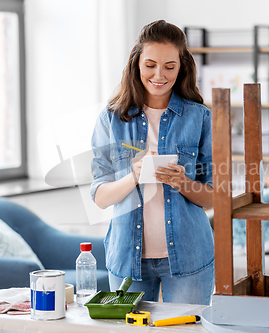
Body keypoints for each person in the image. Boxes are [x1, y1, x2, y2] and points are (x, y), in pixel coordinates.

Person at [90, 20, 214, 305]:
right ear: (136, 65)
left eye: (170, 66)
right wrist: (133, 176)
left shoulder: (200, 118)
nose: (159, 75)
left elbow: (214, 198)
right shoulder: (111, 119)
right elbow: (99, 197)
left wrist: (182, 182)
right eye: (150, 65)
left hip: (189, 256)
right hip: (126, 261)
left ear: (181, 67)